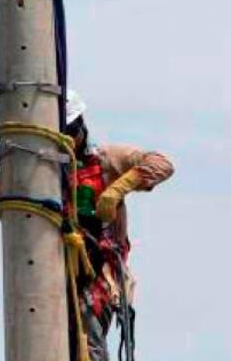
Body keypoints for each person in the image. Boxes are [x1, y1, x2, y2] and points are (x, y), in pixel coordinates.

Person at [64, 90, 173, 361]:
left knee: (87, 329)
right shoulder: (47, 167)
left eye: (71, 131)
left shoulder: (107, 159)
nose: (69, 140)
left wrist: (117, 189)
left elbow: (162, 164)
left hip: (99, 268)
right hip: (58, 267)